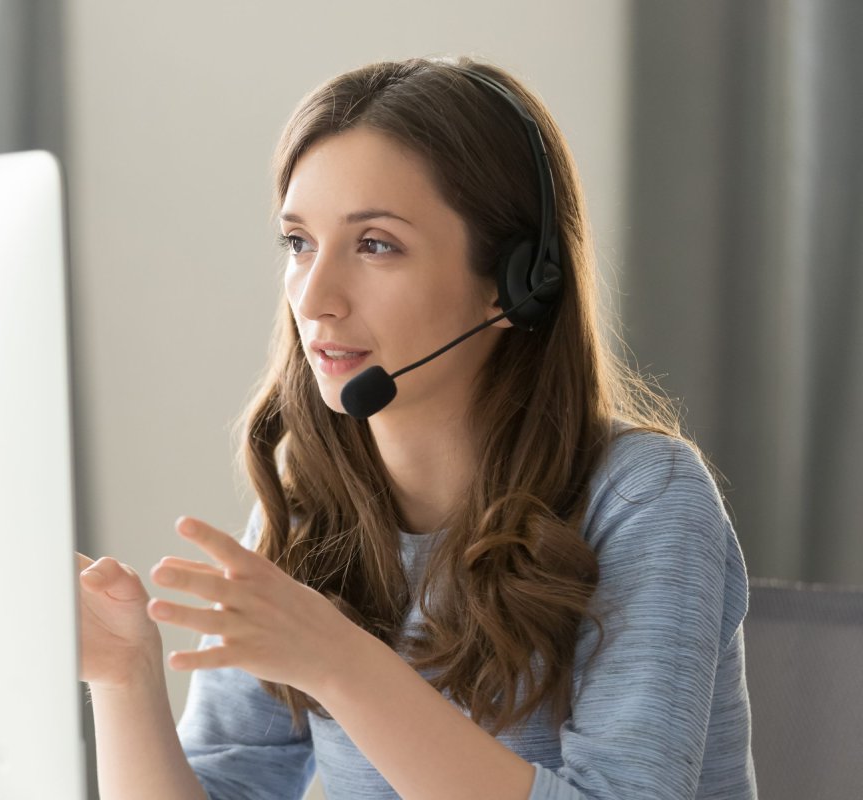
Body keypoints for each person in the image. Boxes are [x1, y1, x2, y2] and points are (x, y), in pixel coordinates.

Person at [75, 56, 756, 800]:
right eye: (299, 243)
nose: (315, 297)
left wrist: (342, 663)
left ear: (516, 284)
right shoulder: (311, 511)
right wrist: (123, 676)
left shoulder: (644, 500)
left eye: (376, 245)